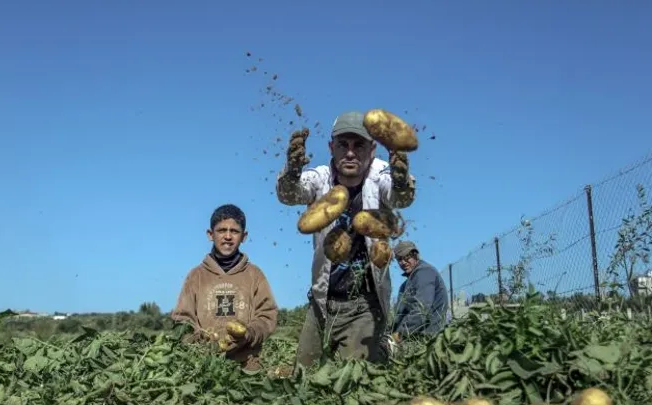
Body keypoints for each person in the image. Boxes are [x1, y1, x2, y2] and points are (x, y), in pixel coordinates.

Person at [275, 111, 416, 367]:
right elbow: (289, 195)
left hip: (364, 304)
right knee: (302, 376)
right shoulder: (320, 178)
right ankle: (384, 352)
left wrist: (400, 179)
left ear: (372, 149)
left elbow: (400, 198)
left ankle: (383, 349)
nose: (350, 153)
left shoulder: (381, 173)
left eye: (358, 145)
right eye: (343, 145)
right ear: (331, 147)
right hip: (322, 300)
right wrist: (292, 171)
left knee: (351, 377)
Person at [171, 204, 278, 371]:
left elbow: (267, 316)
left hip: (247, 363)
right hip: (204, 364)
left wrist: (248, 334)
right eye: (221, 230)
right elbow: (182, 320)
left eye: (234, 231)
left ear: (244, 236)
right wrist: (202, 343)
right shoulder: (196, 276)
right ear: (210, 235)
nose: (228, 236)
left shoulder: (254, 275)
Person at [390, 240, 450, 342]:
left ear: (415, 255)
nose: (403, 262)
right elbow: (400, 316)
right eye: (399, 259)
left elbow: (421, 309)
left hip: (429, 338)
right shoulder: (405, 285)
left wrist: (400, 334)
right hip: (412, 338)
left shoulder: (424, 272)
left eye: (407, 257)